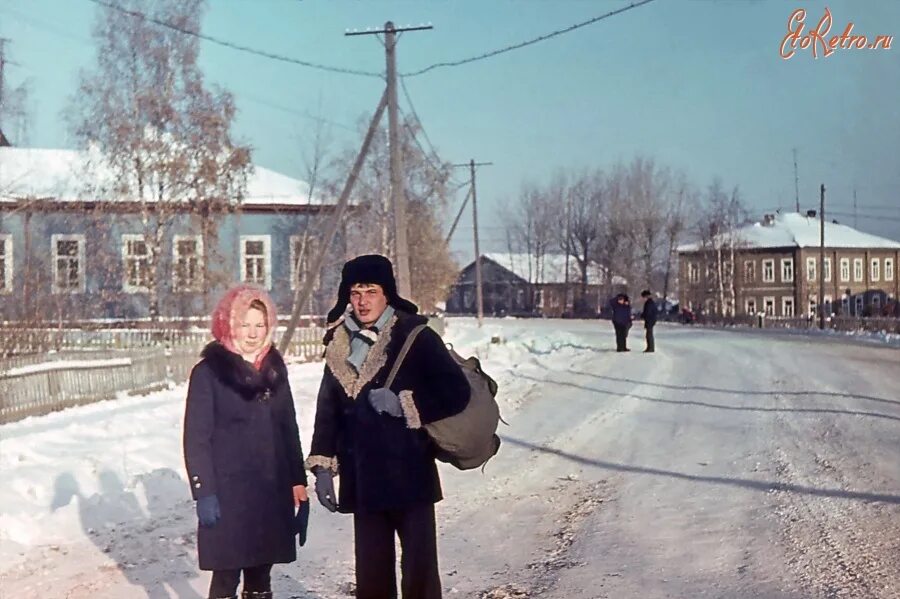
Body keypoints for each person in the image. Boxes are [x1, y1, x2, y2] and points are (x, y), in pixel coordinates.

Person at [306, 254, 470, 599]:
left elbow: (456, 392)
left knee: (420, 576)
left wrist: (404, 404)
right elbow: (328, 410)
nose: (363, 301)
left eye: (371, 291)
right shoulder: (338, 343)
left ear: (387, 294)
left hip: (409, 475)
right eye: (355, 293)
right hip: (363, 479)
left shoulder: (414, 334)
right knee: (372, 578)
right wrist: (322, 467)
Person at [184, 285, 308, 599]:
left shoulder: (275, 369)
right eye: (245, 324)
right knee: (226, 575)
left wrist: (297, 481)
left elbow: (287, 428)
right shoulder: (209, 372)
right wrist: (204, 491)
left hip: (270, 490)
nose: (252, 333)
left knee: (261, 575)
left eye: (259, 325)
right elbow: (196, 437)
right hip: (228, 495)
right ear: (229, 324)